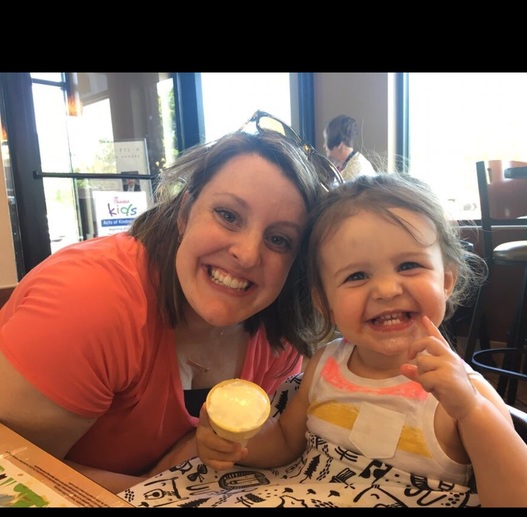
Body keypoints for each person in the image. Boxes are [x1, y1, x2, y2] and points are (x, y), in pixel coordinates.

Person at [0, 110, 335, 494]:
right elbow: (14, 468)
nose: (246, 255)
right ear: (184, 212)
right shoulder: (89, 303)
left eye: (279, 240)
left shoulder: (281, 335)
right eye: (228, 215)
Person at [195, 173, 527, 507]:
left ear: (446, 281)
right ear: (325, 303)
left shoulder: (463, 394)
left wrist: (471, 411)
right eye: (356, 275)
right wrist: (236, 442)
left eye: (408, 266)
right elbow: (286, 444)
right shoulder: (324, 365)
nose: (386, 289)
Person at [323, 114, 376, 180]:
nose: (324, 146)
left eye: (326, 140)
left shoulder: (356, 171)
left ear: (340, 144)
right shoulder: (342, 165)